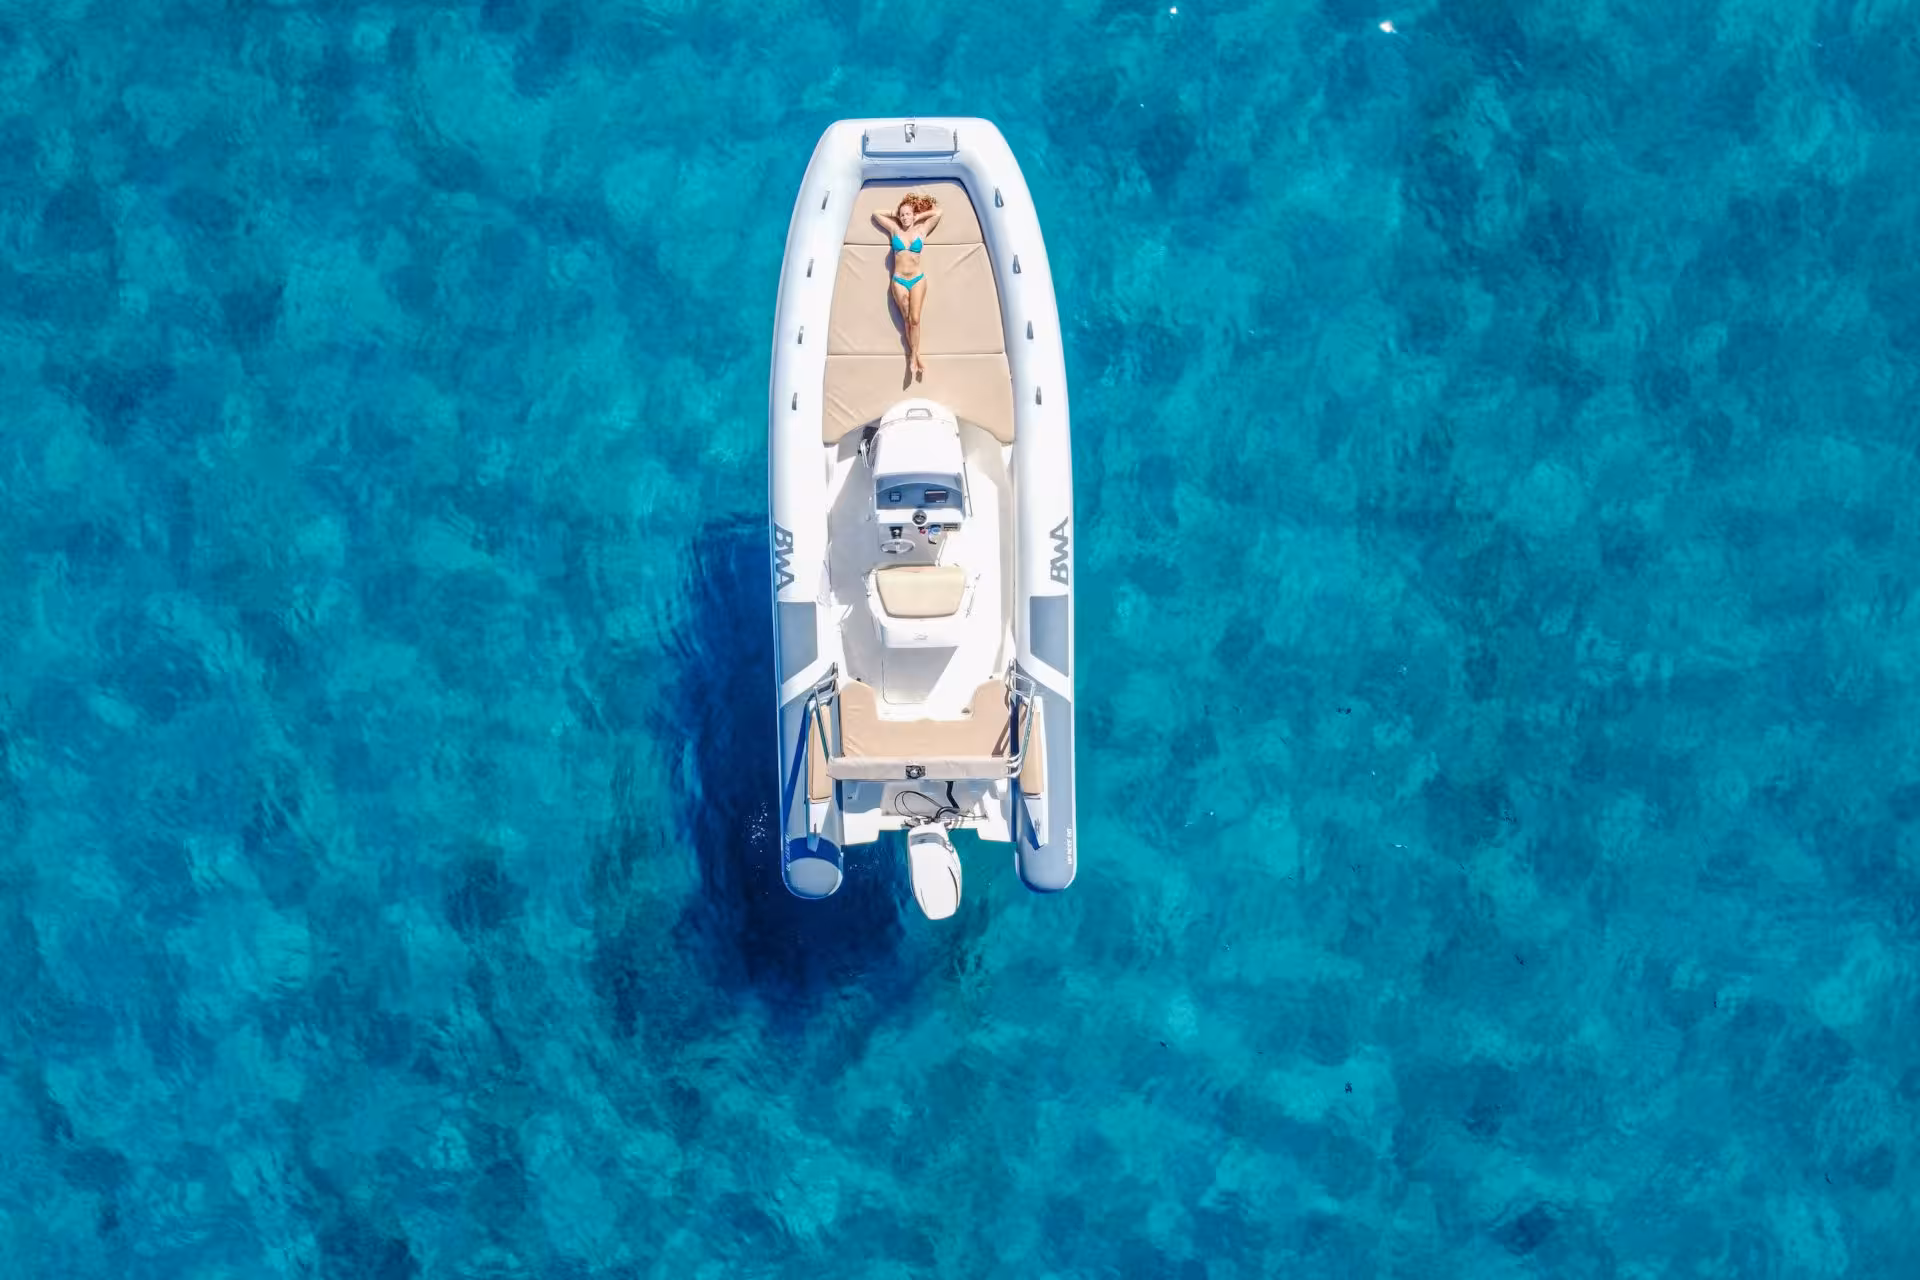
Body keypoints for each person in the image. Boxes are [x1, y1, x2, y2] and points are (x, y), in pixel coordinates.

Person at [871, 194, 943, 379]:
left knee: (915, 319)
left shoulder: (921, 230)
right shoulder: (894, 230)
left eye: (907, 214)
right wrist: (893, 213)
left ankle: (913, 356)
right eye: (902, 215)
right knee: (907, 320)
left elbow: (938, 213)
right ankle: (915, 355)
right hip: (899, 280)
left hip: (917, 279)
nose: (904, 218)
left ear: (913, 215)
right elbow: (876, 214)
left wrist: (920, 216)